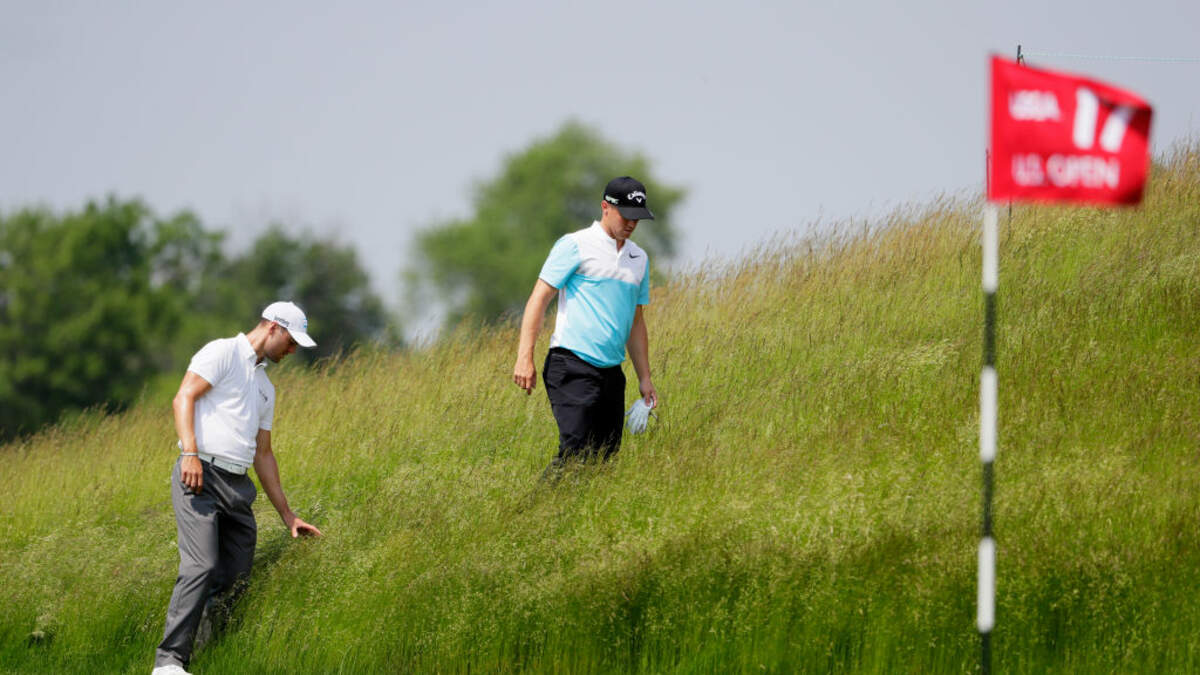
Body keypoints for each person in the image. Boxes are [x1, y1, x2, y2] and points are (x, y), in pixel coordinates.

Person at [152, 302, 323, 675]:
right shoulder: (222, 352)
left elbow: (264, 454)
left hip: (238, 486)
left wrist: (288, 515)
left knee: (236, 576)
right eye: (291, 342)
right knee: (201, 564)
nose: (292, 350)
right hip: (199, 474)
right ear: (273, 328)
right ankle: (168, 663)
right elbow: (183, 397)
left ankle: (205, 656)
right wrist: (190, 454)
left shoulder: (265, 388)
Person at [512, 176, 660, 474]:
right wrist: (524, 357)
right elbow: (538, 299)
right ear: (606, 207)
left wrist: (644, 378)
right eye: (626, 215)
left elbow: (636, 321)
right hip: (571, 365)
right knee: (575, 450)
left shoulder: (639, 258)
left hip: (612, 373)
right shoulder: (575, 245)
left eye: (637, 218)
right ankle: (542, 502)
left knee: (604, 459)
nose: (632, 224)